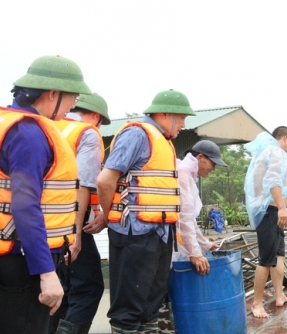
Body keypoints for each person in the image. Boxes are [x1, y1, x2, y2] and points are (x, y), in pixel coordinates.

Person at [0, 55, 91, 333]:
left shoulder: (3, 121)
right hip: (22, 258)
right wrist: (46, 272)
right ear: (52, 94)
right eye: (72, 98)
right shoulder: (28, 134)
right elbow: (26, 207)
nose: (73, 106)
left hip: (6, 253)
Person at [97, 89, 196, 334]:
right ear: (165, 113)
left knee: (151, 304)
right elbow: (105, 181)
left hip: (160, 234)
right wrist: (109, 215)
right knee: (128, 308)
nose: (184, 124)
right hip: (134, 234)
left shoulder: (164, 141)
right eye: (182, 118)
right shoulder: (137, 134)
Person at [51, 93, 111, 334]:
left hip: (43, 223)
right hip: (71, 226)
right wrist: (76, 233)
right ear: (96, 116)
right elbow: (82, 184)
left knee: (59, 289)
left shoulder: (51, 126)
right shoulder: (85, 134)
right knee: (89, 288)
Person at [244, 126, 287, 318]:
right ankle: (257, 304)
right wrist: (282, 208)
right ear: (286, 138)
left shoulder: (269, 152)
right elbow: (273, 180)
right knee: (266, 259)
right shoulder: (274, 151)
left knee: (279, 255)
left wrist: (281, 207)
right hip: (269, 211)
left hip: (274, 210)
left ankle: (279, 294)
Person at [173, 140, 227, 273]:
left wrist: (205, 244)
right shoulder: (182, 175)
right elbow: (184, 220)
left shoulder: (187, 175)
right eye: (212, 163)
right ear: (200, 157)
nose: (213, 168)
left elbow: (190, 219)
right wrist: (196, 254)